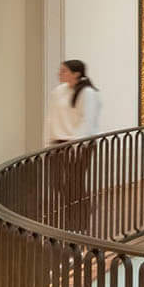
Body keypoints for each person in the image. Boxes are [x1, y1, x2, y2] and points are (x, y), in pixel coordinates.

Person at [43, 59, 101, 226]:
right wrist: (48, 143)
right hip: (59, 144)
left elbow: (87, 122)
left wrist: (77, 146)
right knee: (57, 183)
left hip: (78, 146)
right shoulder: (58, 91)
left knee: (74, 184)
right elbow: (51, 118)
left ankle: (80, 220)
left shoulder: (87, 93)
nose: (60, 74)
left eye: (64, 71)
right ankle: (74, 215)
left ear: (76, 74)